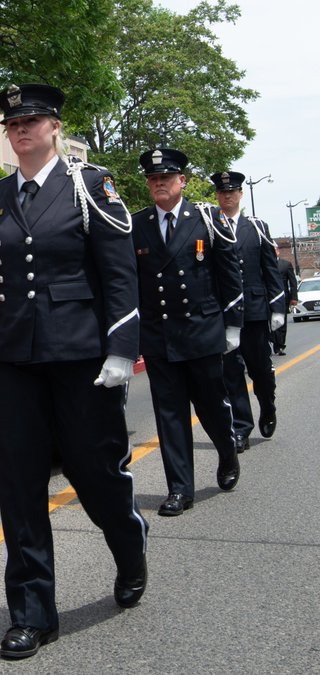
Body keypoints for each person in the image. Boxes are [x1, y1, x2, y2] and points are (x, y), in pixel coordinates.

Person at [0, 84, 148, 660]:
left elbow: (118, 275)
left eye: (33, 120)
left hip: (80, 358)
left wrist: (121, 348)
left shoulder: (91, 188)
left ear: (55, 126)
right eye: (12, 123)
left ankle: (129, 542)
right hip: (11, 359)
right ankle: (33, 613)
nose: (21, 130)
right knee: (19, 487)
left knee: (96, 475)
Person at [132, 150, 243, 517]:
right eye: (153, 179)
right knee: (170, 414)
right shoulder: (138, 224)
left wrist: (233, 325)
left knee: (211, 406)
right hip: (159, 334)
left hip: (201, 330)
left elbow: (229, 276)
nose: (159, 183)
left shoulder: (208, 220)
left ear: (183, 181)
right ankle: (180, 489)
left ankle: (226, 452)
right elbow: (130, 283)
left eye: (166, 177)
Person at [210, 171, 285, 448]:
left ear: (241, 194)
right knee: (230, 372)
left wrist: (277, 309)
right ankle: (241, 427)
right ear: (217, 196)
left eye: (232, 191)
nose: (227, 196)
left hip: (254, 311)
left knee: (261, 369)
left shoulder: (257, 227)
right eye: (222, 192)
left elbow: (270, 270)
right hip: (225, 313)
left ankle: (268, 405)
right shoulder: (211, 226)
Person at [271, 245, 298, 355]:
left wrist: (294, 297)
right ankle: (273, 342)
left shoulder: (286, 264)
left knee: (281, 322)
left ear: (278, 251)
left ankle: (280, 345)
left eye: (275, 249)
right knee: (270, 322)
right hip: (268, 297)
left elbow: (293, 282)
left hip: (283, 297)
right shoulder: (265, 264)